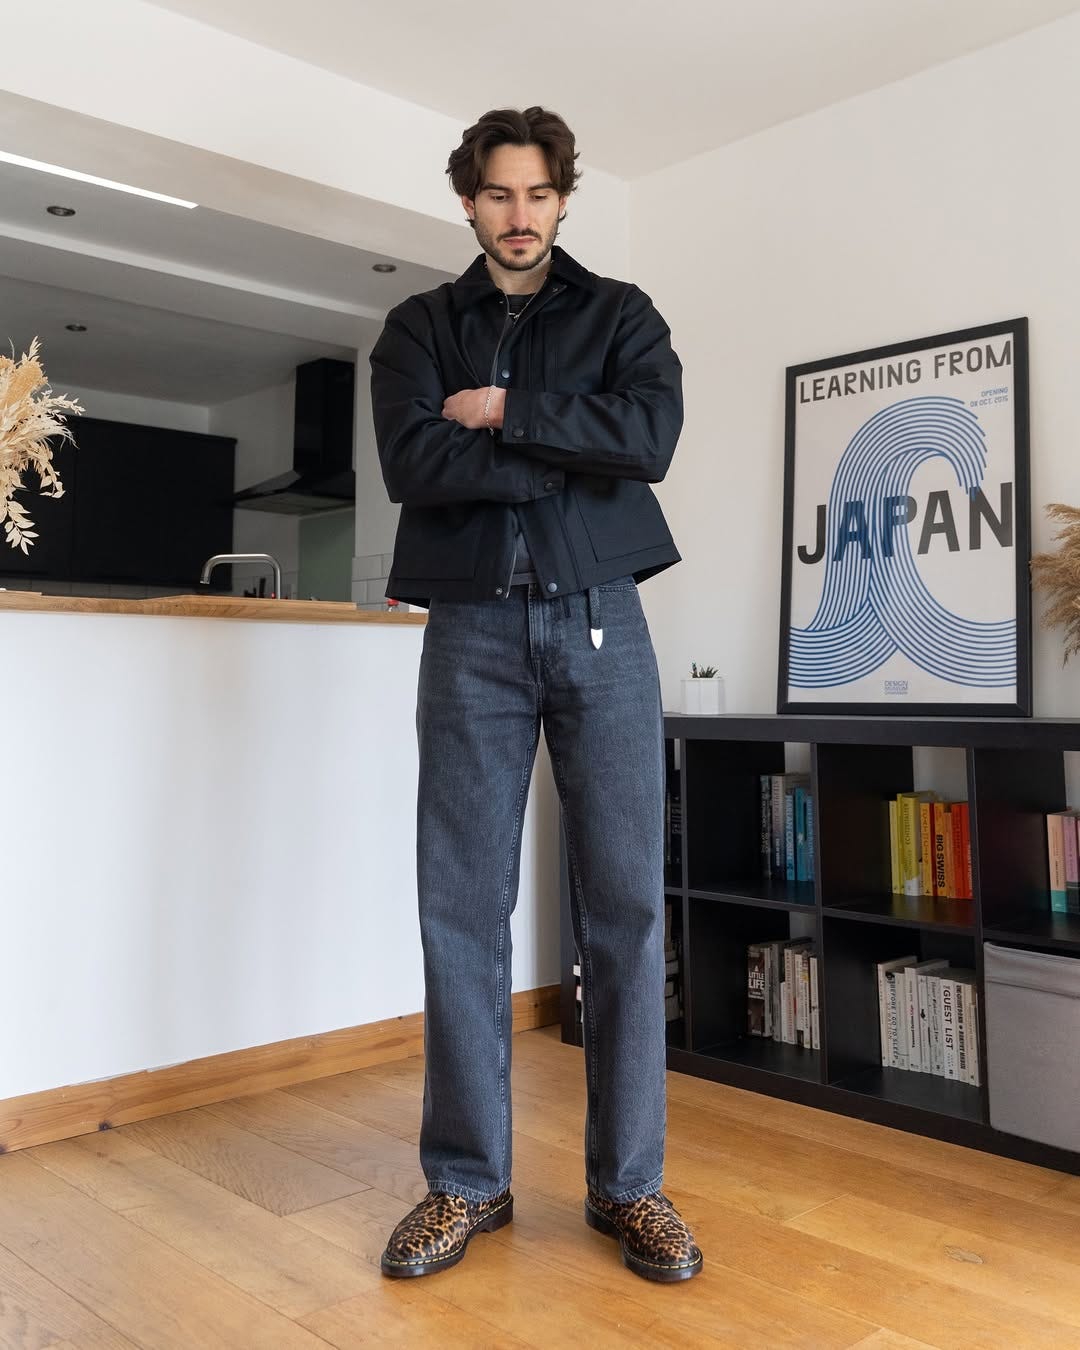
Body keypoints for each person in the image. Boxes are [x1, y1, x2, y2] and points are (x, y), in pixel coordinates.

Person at [369, 106, 702, 1284]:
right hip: (470, 632)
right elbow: (414, 465)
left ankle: (632, 1188)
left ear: (564, 198)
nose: (518, 216)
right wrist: (572, 445)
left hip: (605, 624)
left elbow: (650, 435)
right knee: (460, 908)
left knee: (624, 911)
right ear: (469, 200)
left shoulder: (623, 317)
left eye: (537, 195)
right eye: (497, 195)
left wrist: (506, 412)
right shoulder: (417, 328)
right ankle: (467, 1182)